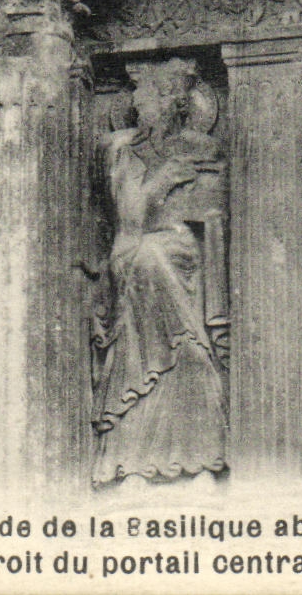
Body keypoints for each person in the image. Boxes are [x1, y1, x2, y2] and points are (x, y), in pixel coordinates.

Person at [93, 58, 227, 488]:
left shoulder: (201, 148)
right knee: (140, 360)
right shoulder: (123, 151)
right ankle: (132, 466)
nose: (140, 105)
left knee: (190, 354)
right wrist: (161, 183)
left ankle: (200, 463)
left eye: (150, 97)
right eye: (140, 98)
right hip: (139, 261)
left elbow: (214, 215)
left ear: (176, 103)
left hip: (184, 262)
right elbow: (128, 221)